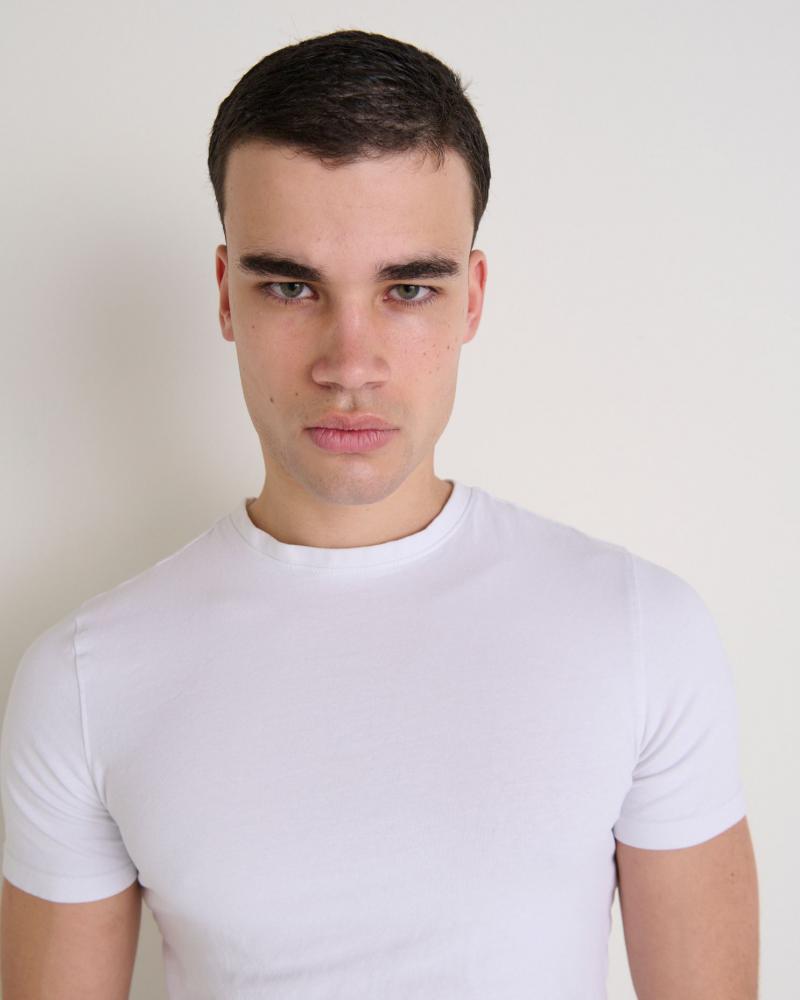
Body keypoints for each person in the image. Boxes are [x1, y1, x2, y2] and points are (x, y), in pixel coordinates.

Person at [0, 28, 758, 1000]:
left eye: (407, 288)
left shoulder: (639, 633)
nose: (349, 362)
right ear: (226, 297)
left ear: (470, 299)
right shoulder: (83, 678)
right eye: (291, 286)